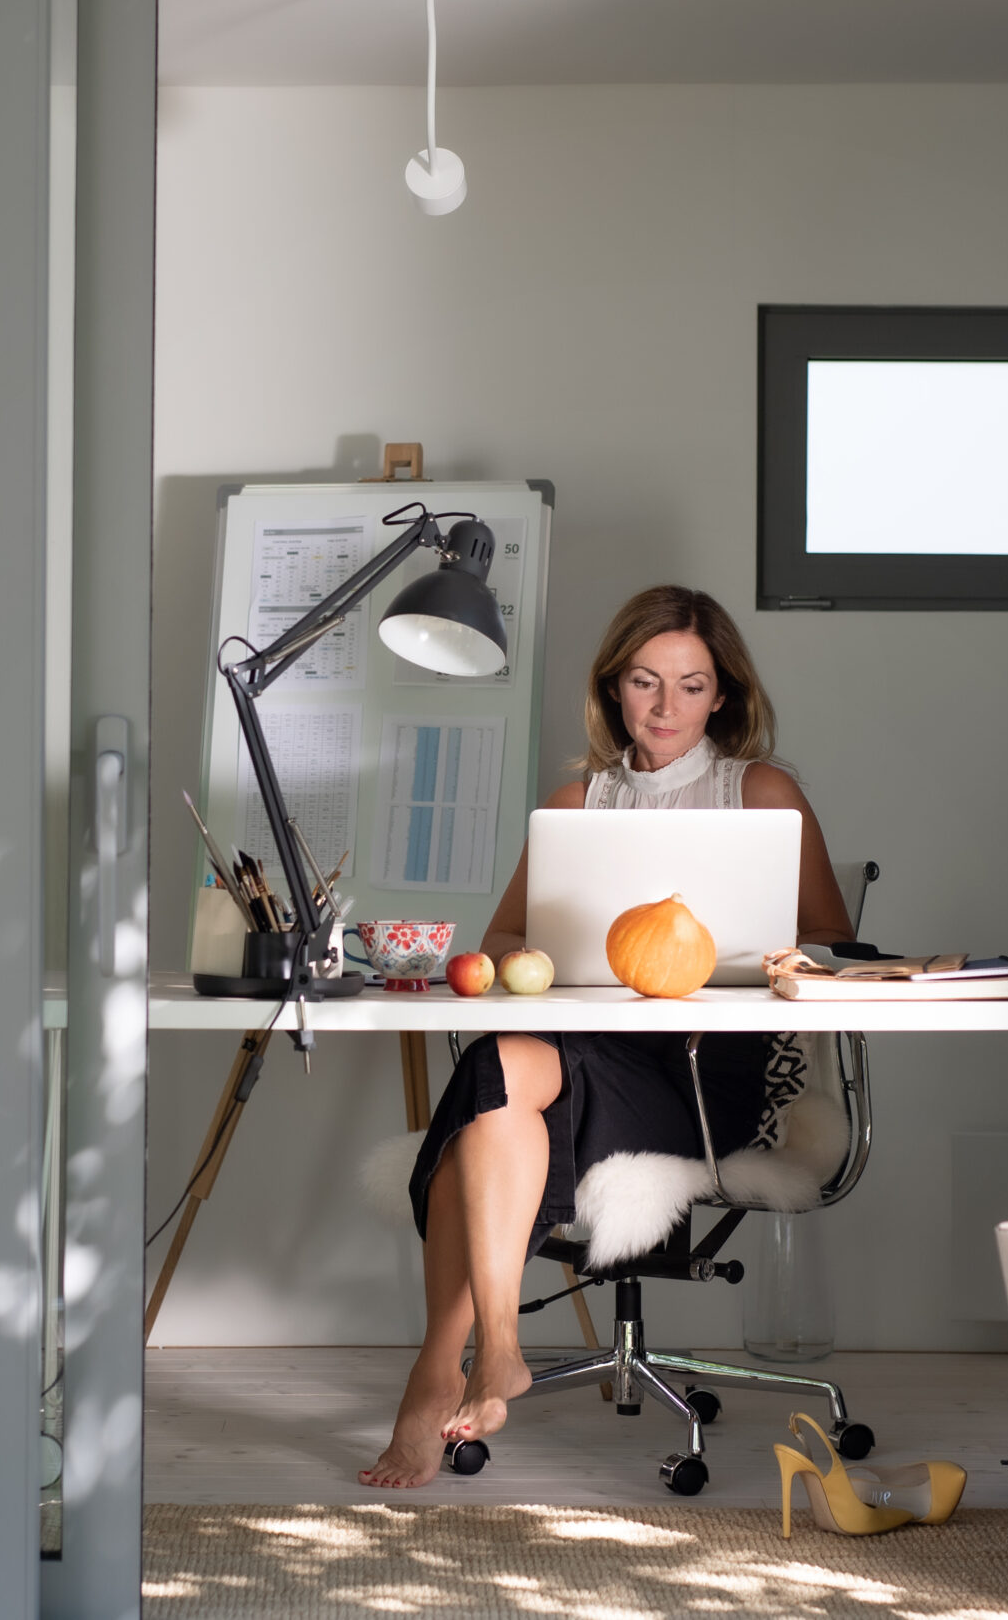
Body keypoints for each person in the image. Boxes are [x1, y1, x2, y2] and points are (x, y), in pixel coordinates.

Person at [357, 584, 854, 1489]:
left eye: (692, 684)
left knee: (487, 1105)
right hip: (591, 1046)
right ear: (614, 688)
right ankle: (495, 1346)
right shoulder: (580, 797)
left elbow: (835, 941)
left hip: (706, 1077)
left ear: (722, 693)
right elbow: (503, 937)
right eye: (645, 681)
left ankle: (436, 1371)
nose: (666, 706)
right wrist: (567, 950)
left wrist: (768, 953)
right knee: (496, 1066)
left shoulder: (762, 792)